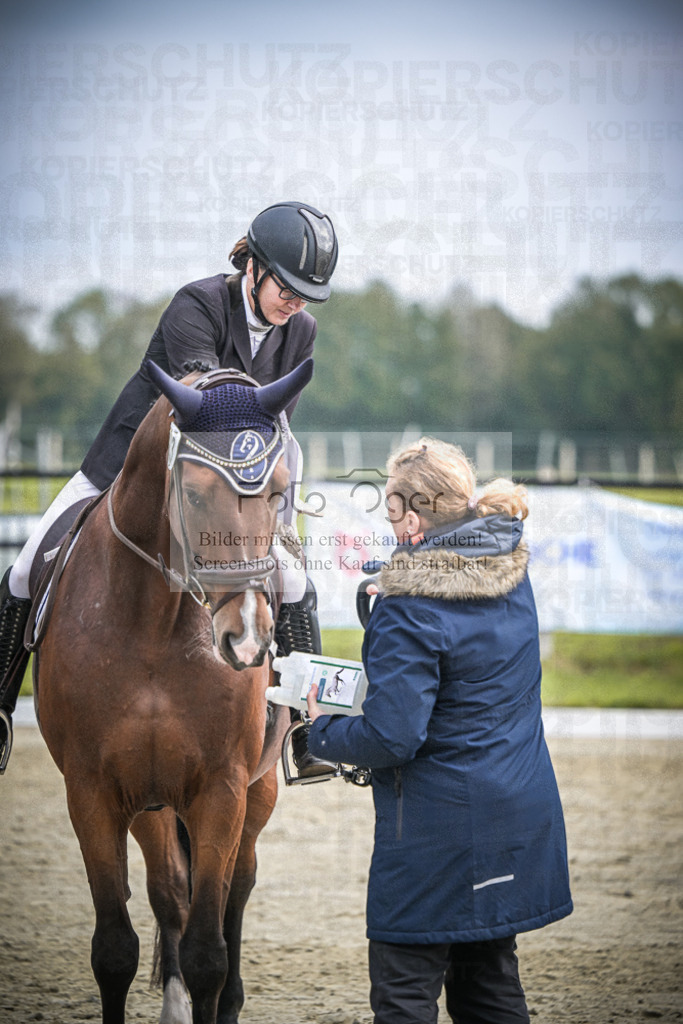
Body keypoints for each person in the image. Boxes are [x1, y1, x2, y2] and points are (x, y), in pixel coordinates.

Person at [0, 200, 338, 778]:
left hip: (226, 489)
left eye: (308, 293)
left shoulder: (299, 331)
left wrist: (273, 510)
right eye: (288, 285)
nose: (296, 302)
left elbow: (276, 426)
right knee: (28, 568)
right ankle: (2, 708)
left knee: (296, 579)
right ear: (253, 266)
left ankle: (306, 731)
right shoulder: (198, 304)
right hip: (130, 467)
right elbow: (208, 401)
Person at [306, 437, 573, 1024]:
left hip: (438, 836)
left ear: (415, 515)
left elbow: (392, 737)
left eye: (393, 509)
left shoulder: (409, 606)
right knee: (490, 987)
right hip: (518, 815)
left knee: (405, 992)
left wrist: (316, 731)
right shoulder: (509, 572)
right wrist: (395, 592)